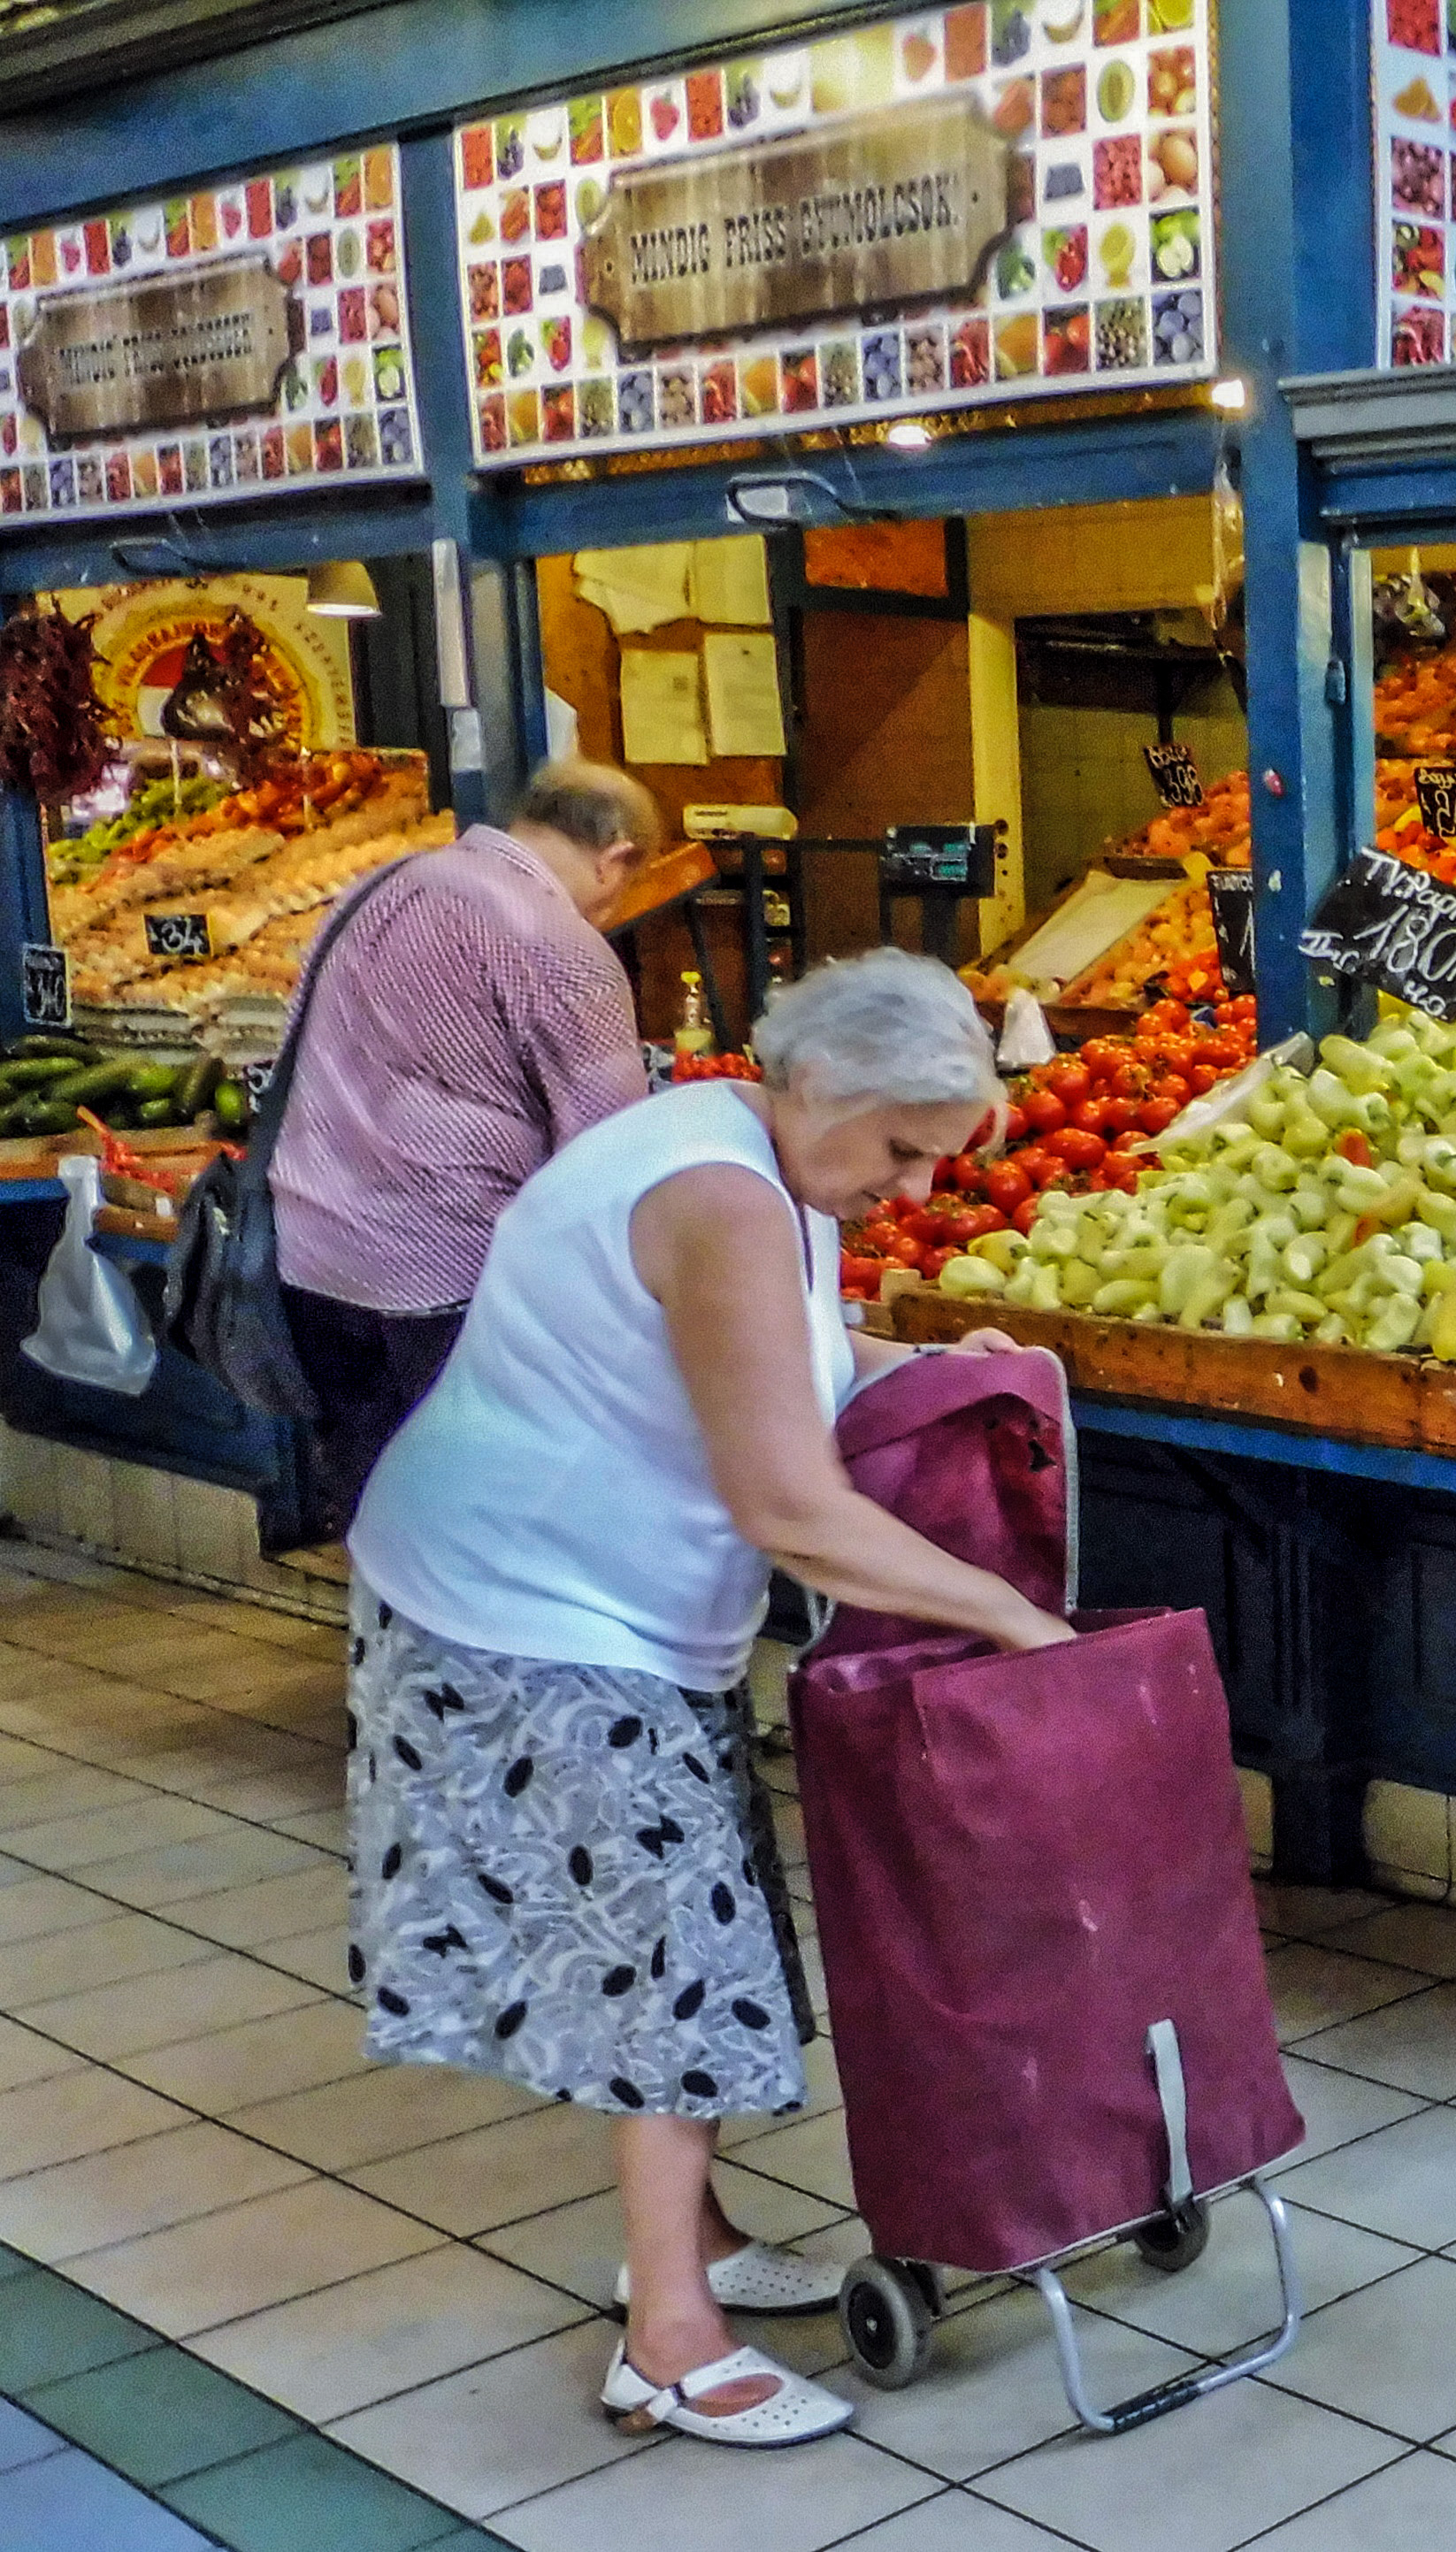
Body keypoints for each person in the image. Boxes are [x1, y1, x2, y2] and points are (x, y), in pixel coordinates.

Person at [343, 950, 1072, 2449]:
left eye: (937, 1157)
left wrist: (915, 1365)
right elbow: (787, 1504)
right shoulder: (724, 1195)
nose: (913, 1187)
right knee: (668, 1957)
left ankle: (698, 2233)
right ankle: (668, 2340)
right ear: (819, 1084)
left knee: (689, 1923)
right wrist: (1006, 1614)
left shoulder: (763, 1162)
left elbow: (768, 1363)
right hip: (525, 1611)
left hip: (587, 1598)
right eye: (899, 1149)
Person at [272, 760, 662, 1537]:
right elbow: (611, 1157)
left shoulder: (376, 889)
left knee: (374, 1499)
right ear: (614, 855)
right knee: (478, 1518)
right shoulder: (557, 943)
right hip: (450, 1274)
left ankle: (382, 1650)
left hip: (313, 1255)